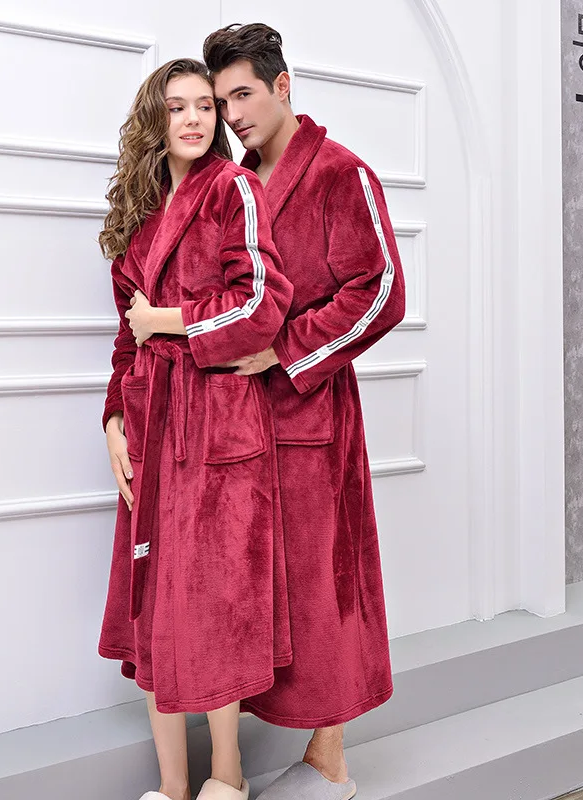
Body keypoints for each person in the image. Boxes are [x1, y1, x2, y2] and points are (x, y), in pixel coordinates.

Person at [203, 24, 407, 800]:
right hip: (238, 420)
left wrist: (286, 349)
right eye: (222, 102)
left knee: (322, 587)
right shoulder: (236, 181)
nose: (233, 116)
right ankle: (265, 756)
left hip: (310, 415)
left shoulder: (340, 173)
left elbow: (382, 292)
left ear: (282, 86)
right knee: (250, 587)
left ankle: (330, 759)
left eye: (243, 95)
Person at [97, 58, 294, 800]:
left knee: (215, 603)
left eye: (205, 106)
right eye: (177, 106)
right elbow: (126, 336)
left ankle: (228, 774)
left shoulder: (233, 189)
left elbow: (262, 305)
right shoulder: (140, 210)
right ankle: (173, 784)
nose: (193, 119)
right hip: (150, 424)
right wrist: (115, 419)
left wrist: (169, 319)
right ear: (156, 117)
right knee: (156, 603)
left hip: (217, 424)